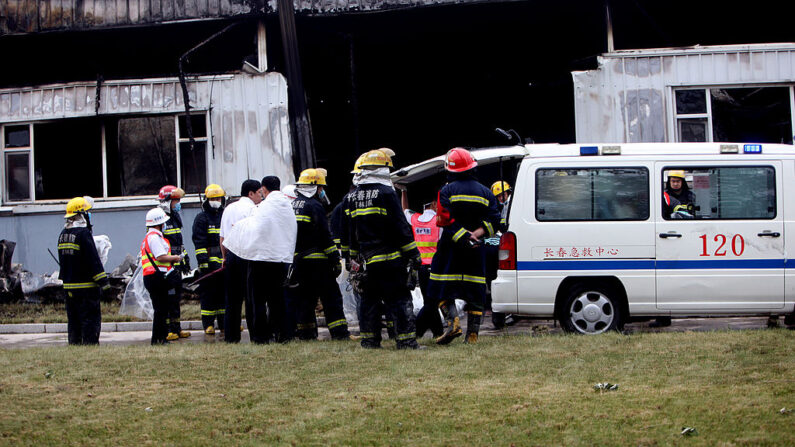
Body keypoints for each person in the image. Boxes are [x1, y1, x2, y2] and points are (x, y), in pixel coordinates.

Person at [341, 148, 423, 350]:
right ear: (381, 170)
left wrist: (350, 260)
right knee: (399, 299)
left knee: (369, 302)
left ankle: (369, 341)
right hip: (390, 259)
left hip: (365, 263)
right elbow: (400, 226)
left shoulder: (349, 198)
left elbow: (348, 233)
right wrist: (413, 253)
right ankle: (406, 341)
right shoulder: (387, 193)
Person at [429, 147, 501, 345]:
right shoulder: (486, 192)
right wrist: (475, 235)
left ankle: (453, 324)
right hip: (476, 249)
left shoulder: (446, 191)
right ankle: (473, 335)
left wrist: (462, 236)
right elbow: (495, 220)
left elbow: (444, 219)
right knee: (476, 290)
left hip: (450, 249)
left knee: (439, 286)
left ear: (449, 170)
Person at [224, 176, 297, 343]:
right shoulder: (287, 206)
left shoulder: (265, 207)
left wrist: (239, 227)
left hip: (261, 261)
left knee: (257, 300)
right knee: (277, 300)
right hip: (280, 260)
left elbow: (255, 226)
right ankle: (282, 335)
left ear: (264, 189)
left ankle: (260, 337)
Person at [291, 168, 352, 341]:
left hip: (299, 262)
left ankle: (307, 334)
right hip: (318, 262)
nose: (322, 191)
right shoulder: (314, 206)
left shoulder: (293, 204)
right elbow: (324, 236)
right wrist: (335, 259)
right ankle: (340, 334)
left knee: (305, 300)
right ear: (314, 187)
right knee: (331, 298)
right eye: (320, 188)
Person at [57, 196, 109, 345]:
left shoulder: (63, 234)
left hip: (69, 286)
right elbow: (92, 259)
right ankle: (90, 345)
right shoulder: (83, 233)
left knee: (73, 319)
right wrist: (103, 281)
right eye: (88, 212)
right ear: (82, 214)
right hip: (86, 287)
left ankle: (74, 344)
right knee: (90, 319)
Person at [220, 179, 263, 343]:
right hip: (249, 255)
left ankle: (231, 337)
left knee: (232, 300)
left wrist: (225, 258)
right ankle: (255, 335)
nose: (261, 196)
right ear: (250, 193)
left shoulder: (229, 208)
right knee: (252, 297)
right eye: (259, 193)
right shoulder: (254, 209)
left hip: (231, 255)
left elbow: (222, 237)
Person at [400, 189, 443, 338]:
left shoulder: (416, 219)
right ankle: (415, 331)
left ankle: (438, 333)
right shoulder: (438, 221)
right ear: (432, 204)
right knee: (432, 303)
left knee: (429, 301)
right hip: (435, 268)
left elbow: (404, 210)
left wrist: (404, 191)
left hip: (420, 268)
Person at [140, 207, 183, 345]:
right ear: (158, 224)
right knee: (161, 310)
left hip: (153, 277)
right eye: (163, 223)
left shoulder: (149, 237)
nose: (165, 225)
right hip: (157, 278)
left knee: (161, 309)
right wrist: (175, 258)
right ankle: (159, 339)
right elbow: (160, 256)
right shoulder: (154, 238)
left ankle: (159, 339)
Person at [192, 184, 226, 335]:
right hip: (209, 264)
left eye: (218, 198)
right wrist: (204, 263)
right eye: (213, 198)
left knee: (222, 294)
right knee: (208, 295)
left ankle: (224, 324)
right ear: (207, 200)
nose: (216, 201)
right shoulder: (201, 218)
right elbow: (199, 242)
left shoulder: (225, 215)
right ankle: (208, 325)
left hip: (224, 262)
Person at [158, 185, 191, 341]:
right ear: (166, 201)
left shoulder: (176, 217)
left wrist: (185, 258)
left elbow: (179, 242)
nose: (178, 203)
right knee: (168, 299)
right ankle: (167, 330)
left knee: (176, 298)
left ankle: (177, 328)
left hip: (176, 265)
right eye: (175, 200)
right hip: (166, 267)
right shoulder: (159, 219)